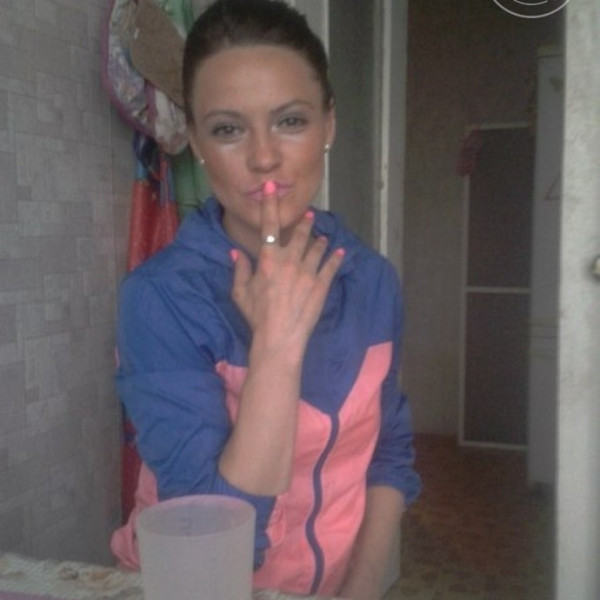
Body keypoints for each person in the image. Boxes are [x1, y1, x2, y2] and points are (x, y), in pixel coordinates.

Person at [110, 1, 421, 598]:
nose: (263, 157)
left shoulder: (373, 281)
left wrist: (361, 589)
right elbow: (214, 545)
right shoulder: (160, 300)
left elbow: (389, 452)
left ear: (328, 125)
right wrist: (277, 347)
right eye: (228, 129)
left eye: (290, 121)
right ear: (196, 141)